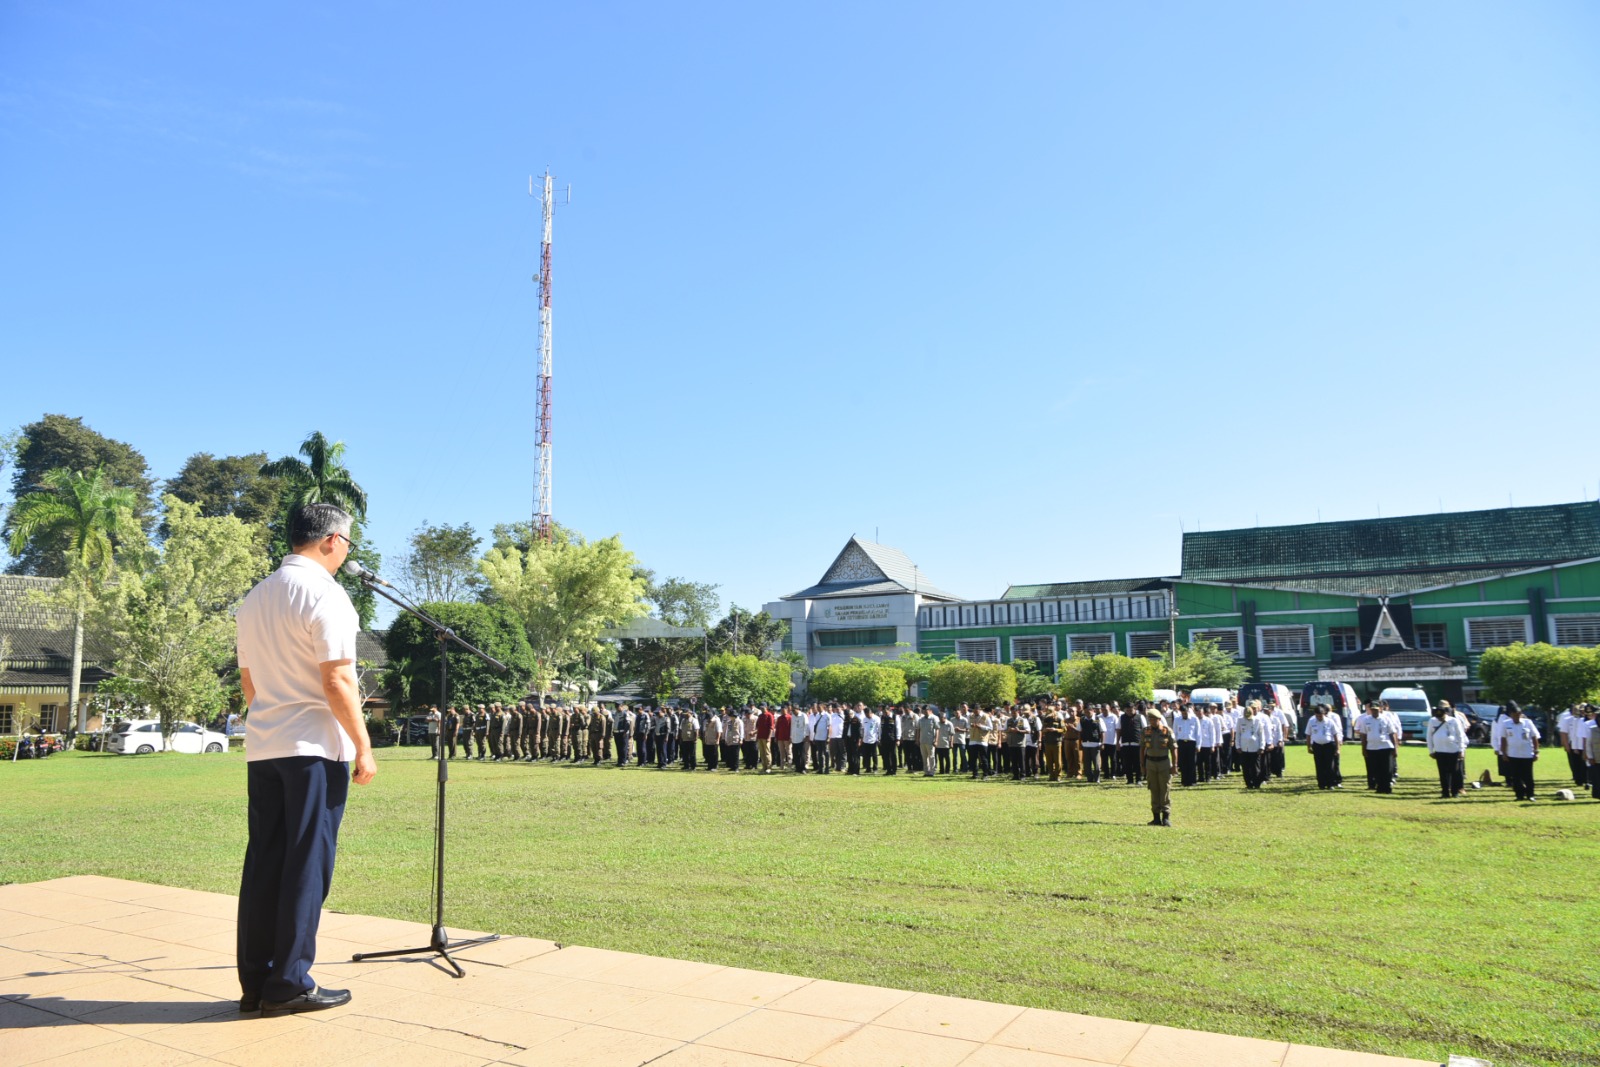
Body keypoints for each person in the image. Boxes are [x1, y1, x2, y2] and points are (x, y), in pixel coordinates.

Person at [234, 503, 375, 1017]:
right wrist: (363, 745)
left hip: (265, 746)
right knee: (306, 864)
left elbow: (249, 683)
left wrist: (274, 717)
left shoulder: (255, 598)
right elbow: (337, 679)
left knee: (265, 862)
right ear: (333, 540)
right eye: (348, 543)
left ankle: (257, 982)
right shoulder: (325, 594)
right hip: (313, 747)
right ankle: (290, 982)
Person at [1142, 709, 1176, 826]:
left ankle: (1166, 817)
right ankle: (1156, 817)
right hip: (1150, 763)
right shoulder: (1145, 731)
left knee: (1165, 790)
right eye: (1150, 719)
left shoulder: (1167, 731)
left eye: (1154, 719)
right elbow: (1142, 748)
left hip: (1164, 763)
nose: (1151, 721)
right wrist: (1142, 765)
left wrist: (1175, 765)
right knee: (1153, 789)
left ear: (1159, 719)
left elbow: (1174, 748)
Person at [1499, 704, 1540, 801]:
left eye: (1518, 715)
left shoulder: (1528, 723)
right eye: (1514, 715)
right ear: (1511, 715)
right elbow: (1503, 739)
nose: (1516, 717)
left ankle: (1530, 795)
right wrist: (1504, 753)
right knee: (1516, 776)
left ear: (1520, 714)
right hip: (1513, 754)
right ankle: (1519, 795)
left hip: (1527, 754)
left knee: (1528, 776)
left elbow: (1534, 737)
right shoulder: (1505, 724)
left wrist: (1536, 751)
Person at [1355, 702, 1398, 793]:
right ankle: (1379, 787)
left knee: (1387, 769)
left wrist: (1395, 748)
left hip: (1385, 746)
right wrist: (1364, 748)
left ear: (1380, 709)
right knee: (1375, 769)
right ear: (1370, 710)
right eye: (1373, 710)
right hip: (1372, 748)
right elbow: (1363, 735)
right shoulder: (1366, 720)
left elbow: (1392, 733)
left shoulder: (1386, 719)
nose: (1375, 712)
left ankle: (1386, 787)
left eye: (1376, 710)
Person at [1426, 703, 1467, 798]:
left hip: (1453, 750)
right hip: (1440, 750)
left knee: (1454, 772)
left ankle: (1455, 792)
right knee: (1442, 773)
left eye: (1441, 716)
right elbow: (1429, 736)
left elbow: (1460, 735)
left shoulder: (1454, 721)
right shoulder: (1432, 721)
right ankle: (1445, 792)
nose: (1439, 718)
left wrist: (1461, 749)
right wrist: (1431, 750)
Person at [1305, 705, 1343, 790]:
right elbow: (1308, 734)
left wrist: (1337, 748)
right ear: (1315, 714)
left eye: (1321, 716)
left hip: (1328, 745)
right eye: (1317, 716)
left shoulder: (1330, 721)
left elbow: (1335, 735)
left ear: (1324, 713)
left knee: (1330, 765)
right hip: (1317, 746)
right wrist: (1309, 747)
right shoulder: (1311, 721)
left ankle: (1330, 784)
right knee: (1319, 765)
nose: (1319, 718)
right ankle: (1321, 784)